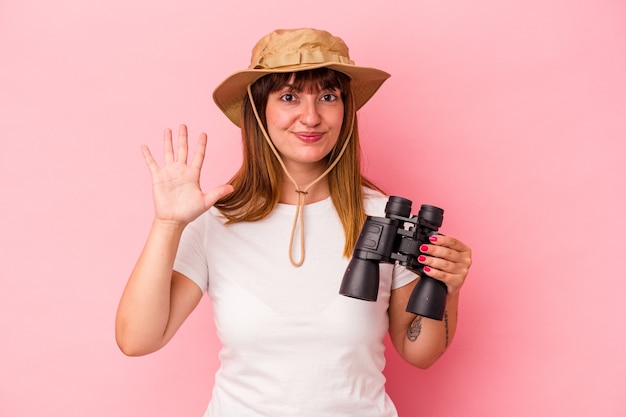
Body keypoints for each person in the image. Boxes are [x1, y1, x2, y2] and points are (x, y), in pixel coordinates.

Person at [115, 28, 472, 417]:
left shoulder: (384, 217)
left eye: (328, 96)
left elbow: (419, 352)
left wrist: (446, 286)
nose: (311, 116)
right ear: (258, 110)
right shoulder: (216, 220)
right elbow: (137, 340)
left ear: (345, 109)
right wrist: (168, 224)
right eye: (289, 96)